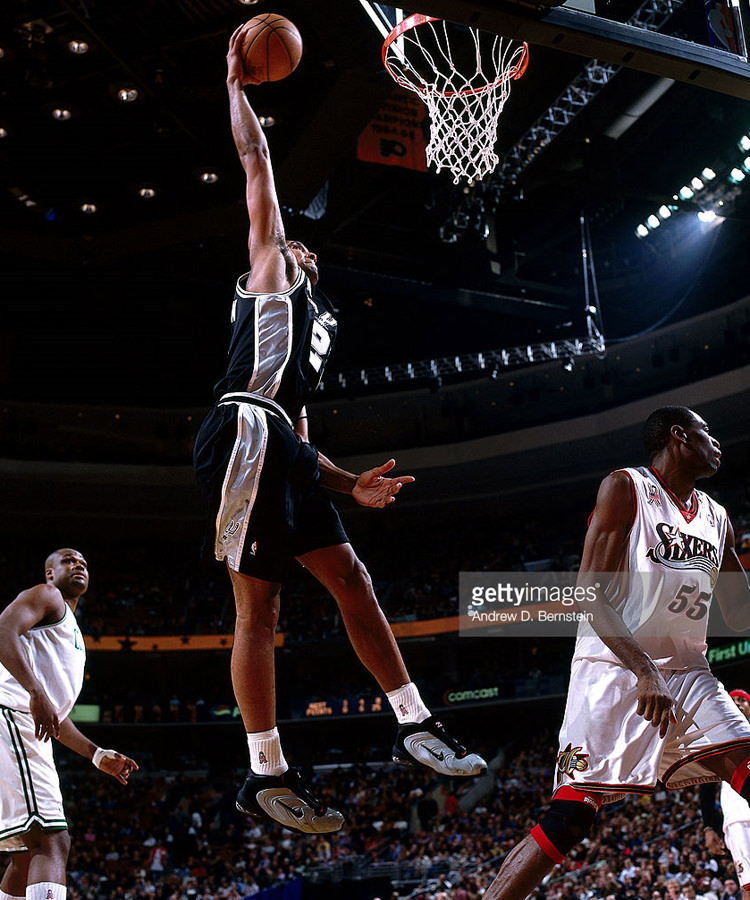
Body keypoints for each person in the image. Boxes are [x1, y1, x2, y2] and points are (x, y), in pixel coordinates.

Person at [192, 24, 486, 836]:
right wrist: (235, 90)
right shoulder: (269, 275)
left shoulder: (314, 330)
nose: (300, 245)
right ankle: (264, 769)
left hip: (283, 443)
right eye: (290, 240)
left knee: (352, 576)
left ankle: (414, 721)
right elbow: (258, 168)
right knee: (262, 612)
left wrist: (349, 483)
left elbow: (305, 438)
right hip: (244, 433)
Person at [482, 406, 750, 900]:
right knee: (571, 818)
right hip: (615, 667)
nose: (716, 443)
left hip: (690, 671)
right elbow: (589, 592)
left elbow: (738, 614)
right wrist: (644, 670)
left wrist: (734, 563)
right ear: (678, 437)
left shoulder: (718, 517)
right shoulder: (626, 488)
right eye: (705, 433)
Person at [0, 549, 138, 900]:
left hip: (26, 728)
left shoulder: (72, 632)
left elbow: (55, 716)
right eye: (68, 560)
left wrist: (97, 754)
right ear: (49, 573)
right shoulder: (47, 595)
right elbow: (3, 630)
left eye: (84, 563)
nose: (79, 565)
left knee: (26, 854)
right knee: (53, 841)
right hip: (12, 716)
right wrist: (35, 691)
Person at [701, 689, 750, 900]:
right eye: (733, 700)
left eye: (742, 700)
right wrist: (708, 826)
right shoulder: (718, 738)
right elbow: (707, 786)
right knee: (749, 884)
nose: (737, 703)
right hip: (738, 816)